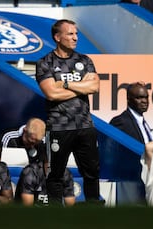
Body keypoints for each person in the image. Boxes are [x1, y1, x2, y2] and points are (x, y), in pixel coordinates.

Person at [35, 19, 100, 204]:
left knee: (92, 173)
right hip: (59, 127)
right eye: (70, 34)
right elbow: (51, 93)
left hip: (85, 126)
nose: (75, 37)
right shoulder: (45, 62)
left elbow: (94, 87)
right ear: (57, 37)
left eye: (76, 34)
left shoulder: (84, 60)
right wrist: (81, 86)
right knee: (55, 175)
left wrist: (65, 83)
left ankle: (93, 213)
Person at [1, 117, 75, 206]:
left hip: (39, 181)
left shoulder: (44, 142)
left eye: (36, 143)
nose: (32, 146)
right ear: (25, 131)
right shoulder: (9, 138)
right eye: (30, 142)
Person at [109, 82, 152, 205]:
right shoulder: (120, 121)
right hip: (130, 180)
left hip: (147, 179)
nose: (144, 101)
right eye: (139, 98)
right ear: (128, 99)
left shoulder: (144, 123)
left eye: (146, 97)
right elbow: (110, 150)